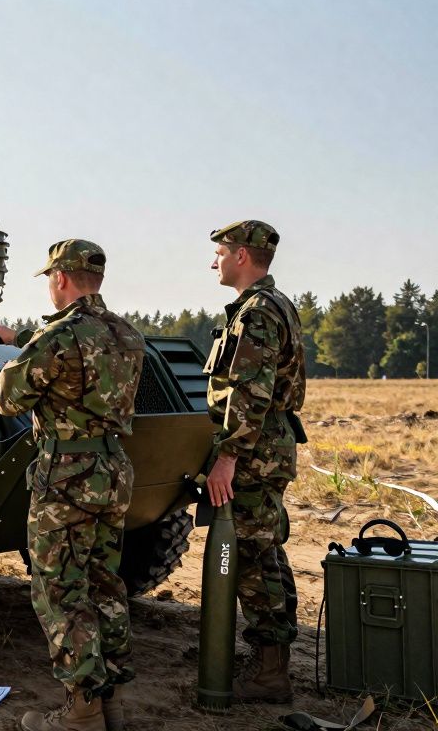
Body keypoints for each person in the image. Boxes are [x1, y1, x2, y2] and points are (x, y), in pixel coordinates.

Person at [0, 239, 144, 731]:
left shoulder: (57, 337)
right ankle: (111, 704)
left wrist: (16, 353)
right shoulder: (126, 333)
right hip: (113, 471)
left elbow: (8, 400)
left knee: (60, 591)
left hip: (67, 479)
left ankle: (81, 712)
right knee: (105, 584)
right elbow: (84, 359)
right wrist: (24, 338)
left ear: (61, 278)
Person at [202, 220, 307, 703]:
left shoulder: (258, 311)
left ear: (242, 255)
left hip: (254, 450)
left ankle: (269, 673)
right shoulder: (275, 303)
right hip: (266, 445)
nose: (215, 262)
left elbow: (250, 393)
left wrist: (228, 456)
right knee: (265, 551)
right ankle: (272, 661)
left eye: (221, 253)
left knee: (250, 557)